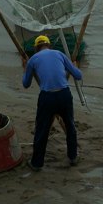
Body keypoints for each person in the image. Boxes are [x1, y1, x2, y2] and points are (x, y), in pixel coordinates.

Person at [22, 34, 82, 170]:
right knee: (70, 126)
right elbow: (78, 75)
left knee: (41, 130)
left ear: (37, 48)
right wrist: (74, 66)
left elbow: (26, 84)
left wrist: (25, 69)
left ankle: (37, 164)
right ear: (49, 45)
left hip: (47, 98)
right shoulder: (59, 54)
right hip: (64, 95)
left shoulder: (33, 59)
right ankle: (73, 157)